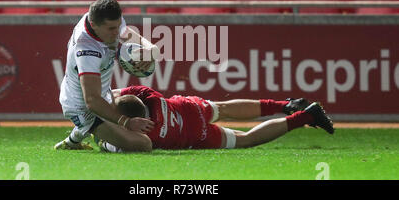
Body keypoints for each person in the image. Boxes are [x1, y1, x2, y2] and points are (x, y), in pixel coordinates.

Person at [54, 0, 158, 152]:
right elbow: (92, 101)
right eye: (111, 29)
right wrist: (126, 123)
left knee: (133, 105)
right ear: (94, 25)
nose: (117, 33)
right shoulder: (87, 50)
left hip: (102, 94)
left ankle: (72, 141)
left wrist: (151, 50)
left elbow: (126, 33)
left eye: (117, 26)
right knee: (143, 145)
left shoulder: (101, 18)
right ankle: (100, 139)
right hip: (83, 106)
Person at [98, 85, 334, 152]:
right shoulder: (148, 95)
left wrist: (102, 138)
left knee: (246, 139)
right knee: (224, 108)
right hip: (189, 109)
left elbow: (113, 141)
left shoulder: (144, 134)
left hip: (193, 134)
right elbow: (118, 93)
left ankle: (304, 116)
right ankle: (286, 105)